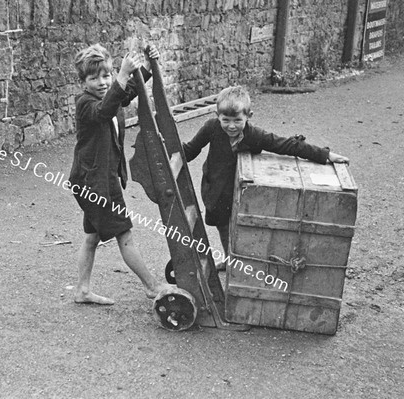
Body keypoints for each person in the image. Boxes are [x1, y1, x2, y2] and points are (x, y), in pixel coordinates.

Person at [183, 85, 350, 270]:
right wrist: (167, 152)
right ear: (217, 116)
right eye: (226, 120)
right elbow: (190, 150)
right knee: (223, 227)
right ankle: (228, 260)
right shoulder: (211, 128)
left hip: (244, 190)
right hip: (216, 188)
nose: (231, 126)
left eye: (237, 120)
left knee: (245, 226)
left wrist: (325, 155)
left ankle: (243, 263)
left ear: (249, 116)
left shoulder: (254, 135)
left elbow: (285, 145)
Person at [69, 43, 170, 305]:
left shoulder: (109, 95)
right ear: (83, 82)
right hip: (95, 184)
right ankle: (152, 286)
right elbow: (104, 112)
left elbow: (127, 92)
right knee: (124, 235)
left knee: (92, 238)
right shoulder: (85, 103)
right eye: (94, 78)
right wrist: (122, 75)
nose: (103, 82)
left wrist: (146, 65)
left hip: (98, 180)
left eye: (107, 75)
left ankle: (82, 290)